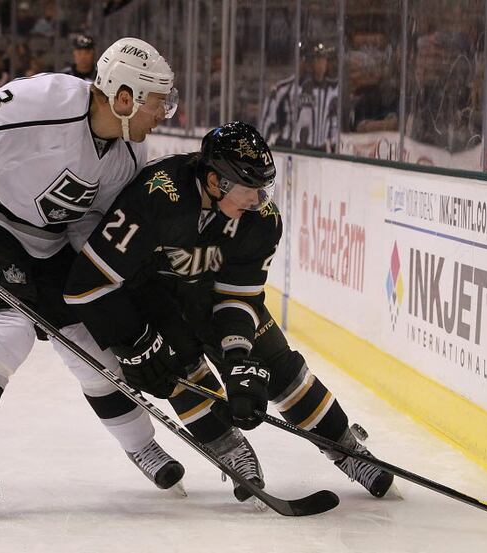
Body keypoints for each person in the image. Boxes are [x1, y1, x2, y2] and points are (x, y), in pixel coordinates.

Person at [0, 37, 181, 517]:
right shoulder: (48, 101)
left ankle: (141, 443)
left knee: (87, 338)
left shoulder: (129, 156)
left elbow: (90, 226)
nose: (165, 113)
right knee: (8, 325)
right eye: (159, 102)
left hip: (49, 238)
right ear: (125, 97)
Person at [64, 121, 395, 500]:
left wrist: (239, 357)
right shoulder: (157, 196)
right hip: (154, 296)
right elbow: (86, 283)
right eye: (249, 187)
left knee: (277, 365)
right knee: (178, 370)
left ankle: (348, 449)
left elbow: (239, 296)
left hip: (208, 296)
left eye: (263, 187)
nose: (258, 200)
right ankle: (231, 452)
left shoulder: (262, 222)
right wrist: (134, 342)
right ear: (214, 181)